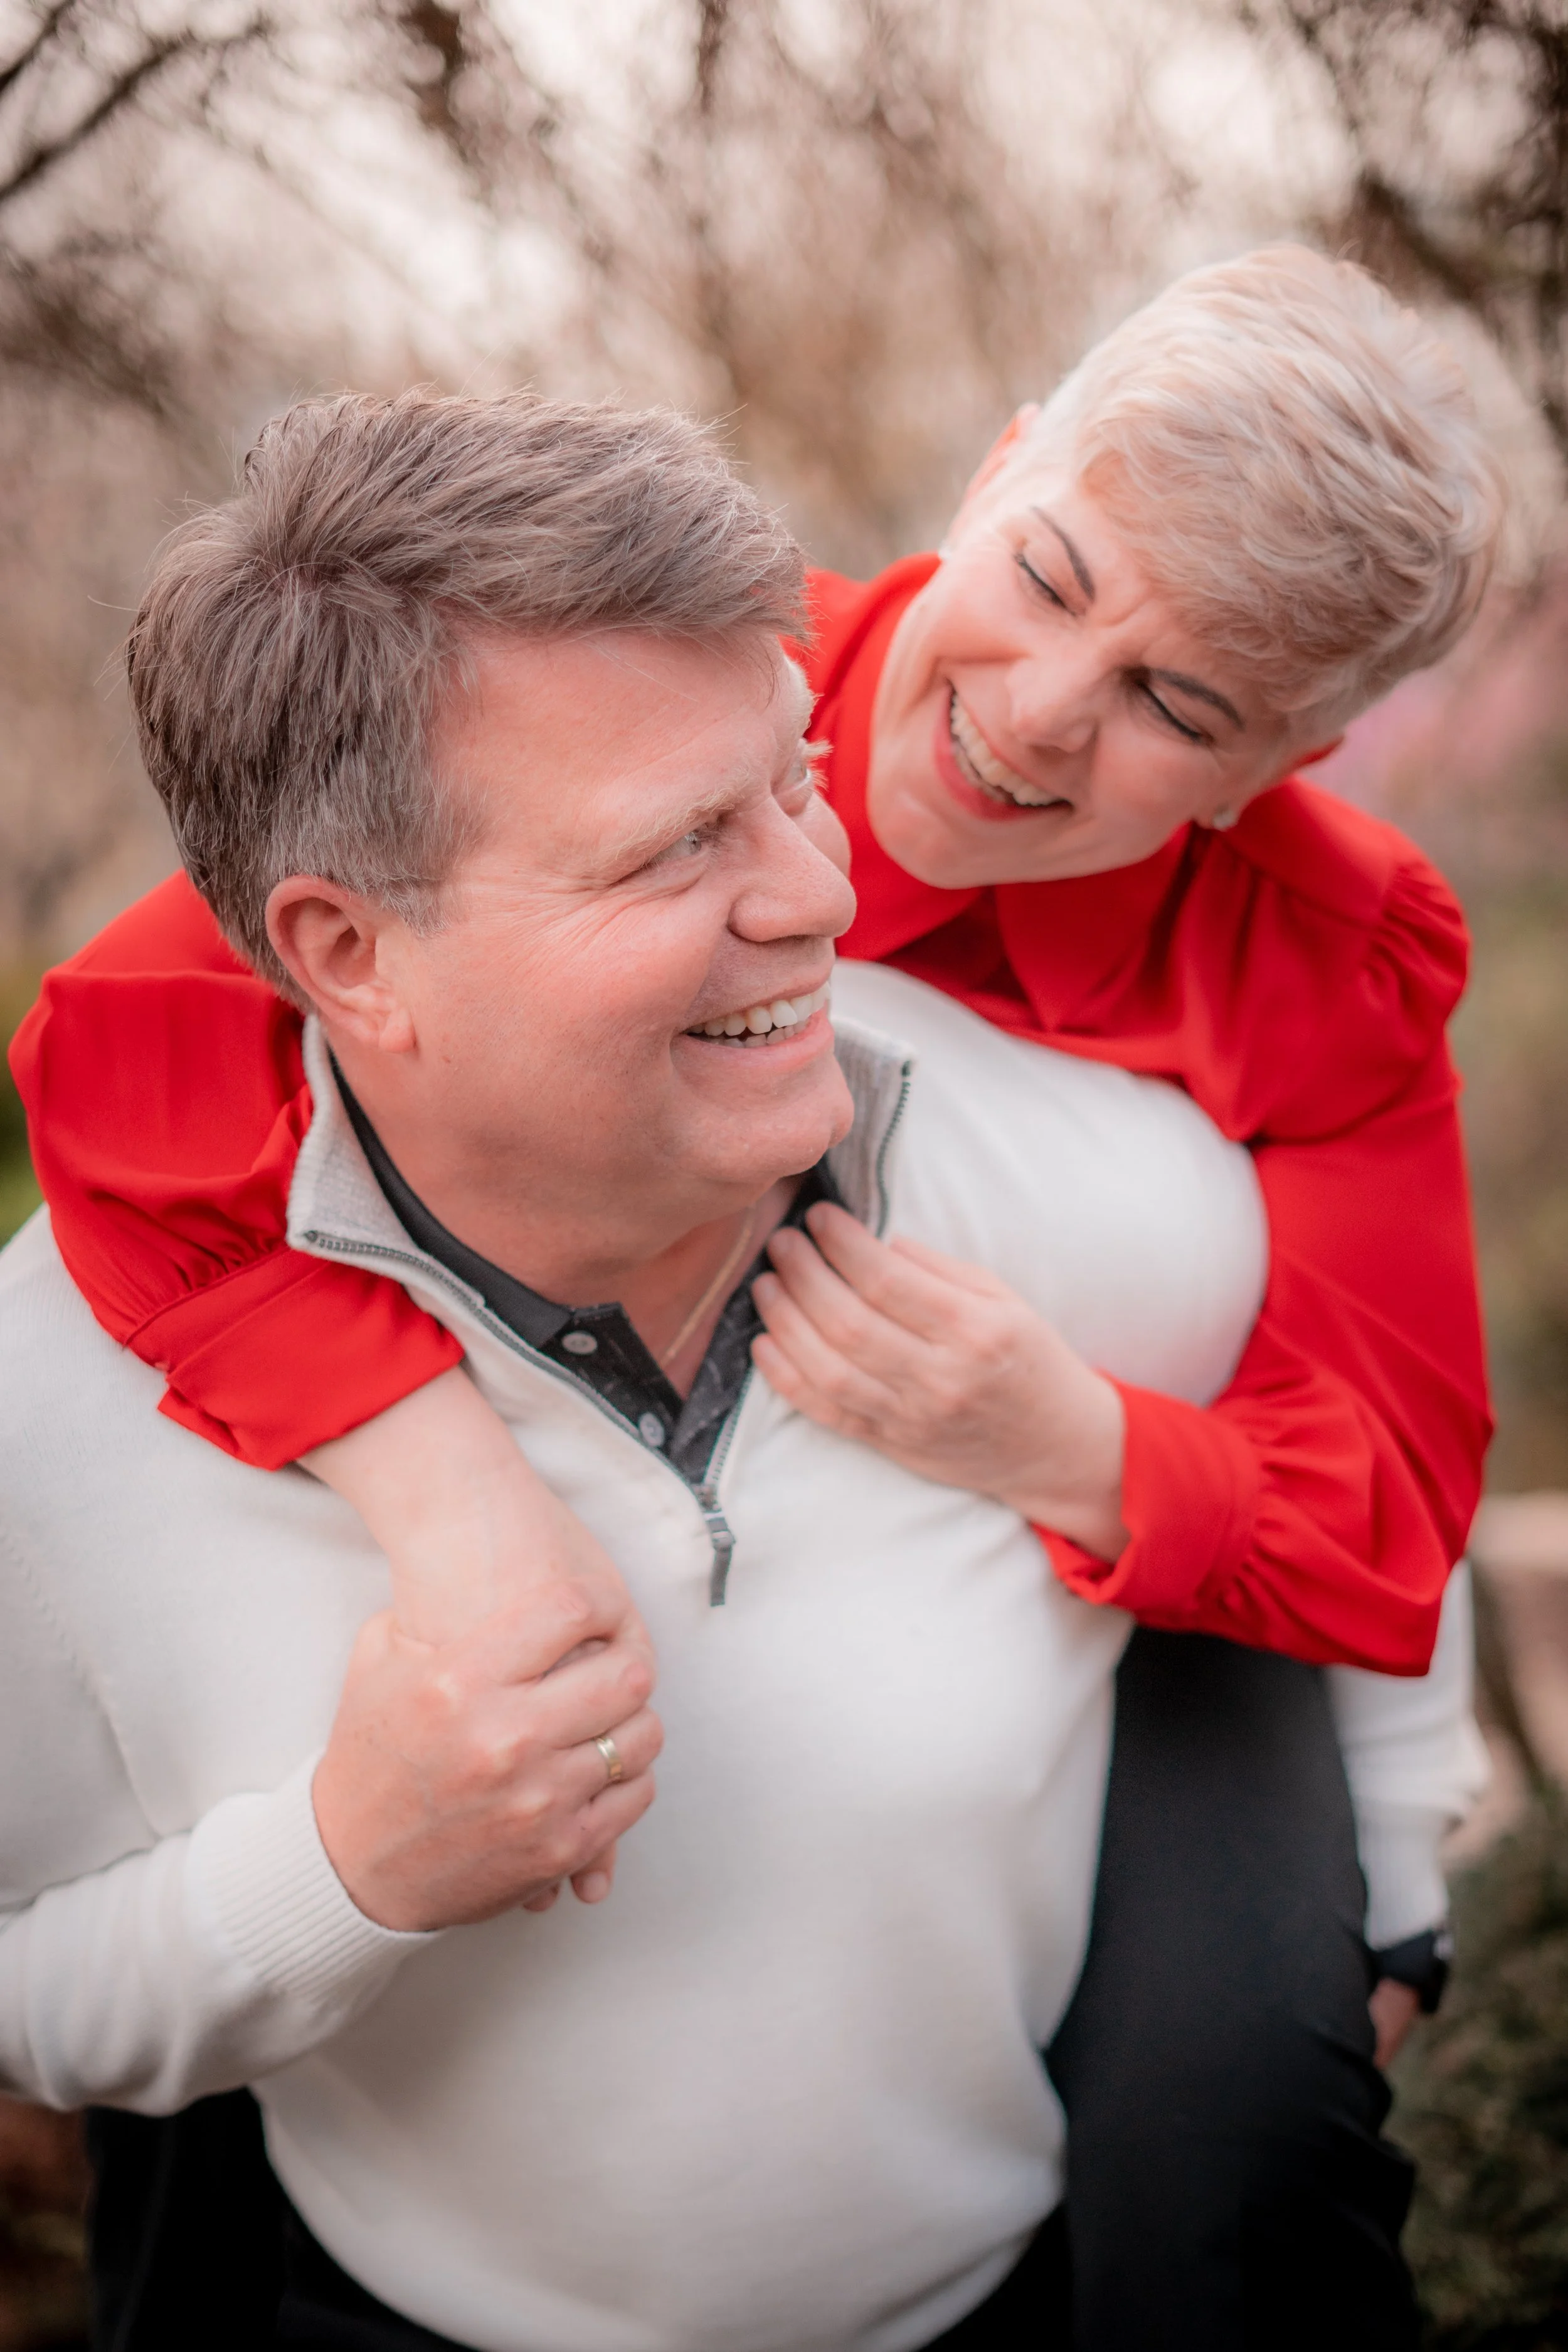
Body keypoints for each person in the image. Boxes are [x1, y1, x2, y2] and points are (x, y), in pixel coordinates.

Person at [9, 250, 1497, 2341]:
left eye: (1183, 706)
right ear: (997, 470)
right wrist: (443, 1485)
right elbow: (128, 1053)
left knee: (1244, 2122)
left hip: (1106, 1530)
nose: (1037, 718)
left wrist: (1068, 1441)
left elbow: (1385, 1496)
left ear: (1296, 759)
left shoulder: (1321, 959)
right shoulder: (643, 694)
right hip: (497, 1520)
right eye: (1055, 575)